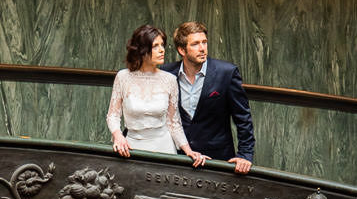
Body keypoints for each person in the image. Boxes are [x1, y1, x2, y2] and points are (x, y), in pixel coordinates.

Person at [108, 24, 206, 166]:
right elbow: (113, 115)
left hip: (164, 148)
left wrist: (188, 151)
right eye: (155, 46)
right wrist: (118, 136)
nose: (162, 50)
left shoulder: (170, 80)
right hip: (131, 148)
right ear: (142, 50)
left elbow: (174, 123)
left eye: (162, 45)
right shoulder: (123, 77)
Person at [168, 21, 255, 172]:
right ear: (182, 50)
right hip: (178, 157)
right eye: (195, 44)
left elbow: (243, 118)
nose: (202, 48)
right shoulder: (167, 74)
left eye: (204, 42)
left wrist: (245, 155)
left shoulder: (226, 72)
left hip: (217, 159)